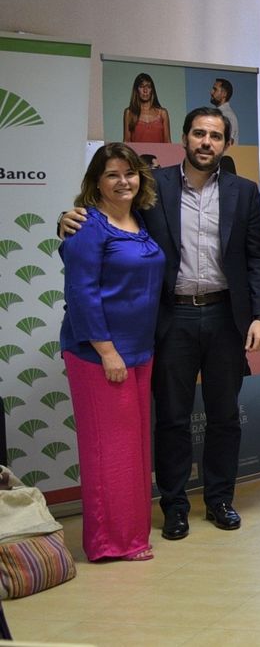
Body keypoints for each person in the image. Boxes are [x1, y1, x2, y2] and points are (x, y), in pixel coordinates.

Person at [58, 109, 260, 541]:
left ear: (227, 143)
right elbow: (106, 216)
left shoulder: (244, 192)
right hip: (170, 317)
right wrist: (65, 223)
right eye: (199, 133)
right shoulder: (154, 187)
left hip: (224, 317)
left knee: (225, 415)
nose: (206, 142)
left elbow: (257, 257)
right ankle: (174, 505)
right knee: (172, 416)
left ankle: (219, 500)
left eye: (215, 135)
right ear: (184, 138)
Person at [60, 144, 163, 561]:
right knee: (110, 450)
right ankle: (109, 543)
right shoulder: (87, 226)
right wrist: (107, 351)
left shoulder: (140, 219)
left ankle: (132, 535)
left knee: (134, 448)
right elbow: (81, 293)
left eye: (130, 173)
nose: (124, 181)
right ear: (96, 183)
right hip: (99, 354)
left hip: (140, 350)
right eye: (113, 175)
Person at [123, 72, 170, 143]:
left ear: (152, 90)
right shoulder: (129, 113)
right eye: (141, 87)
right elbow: (126, 142)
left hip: (159, 154)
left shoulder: (162, 113)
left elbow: (168, 143)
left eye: (148, 87)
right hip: (136, 154)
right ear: (136, 90)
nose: (145, 91)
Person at [210, 78, 241, 146]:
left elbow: (229, 142)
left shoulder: (228, 115)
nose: (211, 92)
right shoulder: (218, 114)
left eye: (215, 89)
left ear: (224, 94)